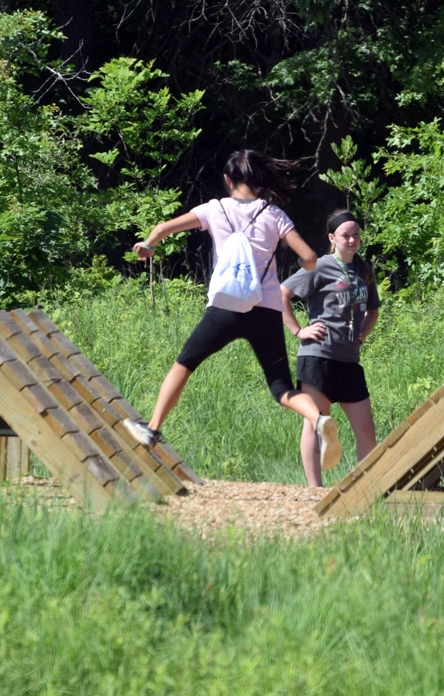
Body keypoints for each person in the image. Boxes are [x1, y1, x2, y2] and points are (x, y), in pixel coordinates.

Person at [123, 151, 342, 472]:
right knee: (281, 388)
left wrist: (149, 246)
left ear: (228, 180)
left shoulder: (215, 209)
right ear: (258, 181)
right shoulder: (274, 214)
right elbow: (309, 257)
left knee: (184, 364)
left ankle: (152, 428)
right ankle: (318, 418)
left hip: (224, 309)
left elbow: (162, 228)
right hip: (266, 311)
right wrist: (300, 265)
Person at [279, 210, 381, 487]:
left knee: (366, 429)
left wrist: (361, 335)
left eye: (356, 235)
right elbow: (283, 294)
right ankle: (315, 490)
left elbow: (373, 310)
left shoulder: (364, 270)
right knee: (316, 423)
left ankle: (365, 490)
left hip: (349, 360)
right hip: (318, 355)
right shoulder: (321, 266)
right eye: (346, 235)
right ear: (332, 238)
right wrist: (299, 330)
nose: (352, 240)